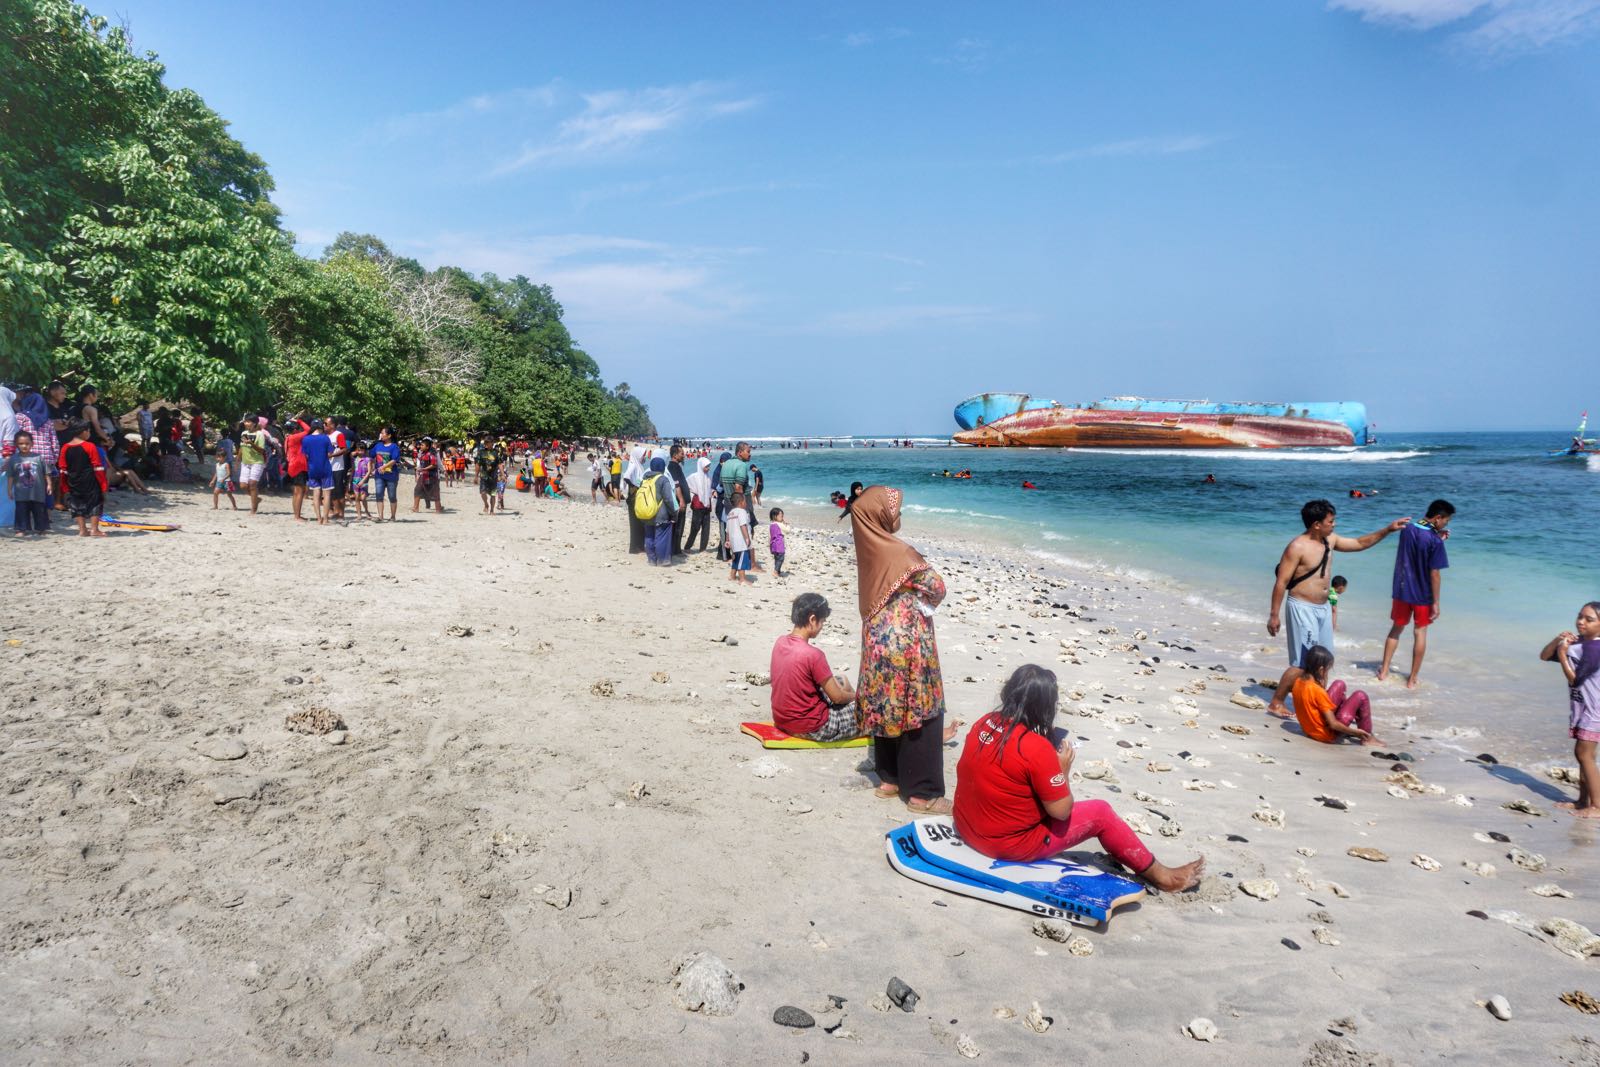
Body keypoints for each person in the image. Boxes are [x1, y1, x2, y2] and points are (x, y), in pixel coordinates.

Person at [952, 665, 1205, 890]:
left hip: (967, 827)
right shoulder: (1036, 748)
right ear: (1045, 708)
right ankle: (1163, 877)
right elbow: (1061, 812)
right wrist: (1062, 771)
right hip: (1006, 845)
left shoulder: (985, 722)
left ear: (1008, 693)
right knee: (1101, 813)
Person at [850, 486, 959, 813]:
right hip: (908, 644)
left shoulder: (869, 549)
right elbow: (937, 587)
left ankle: (889, 780)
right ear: (879, 514)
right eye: (893, 509)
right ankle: (922, 794)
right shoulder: (901, 553)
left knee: (886, 704)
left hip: (877, 643)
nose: (898, 514)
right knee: (921, 710)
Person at [1266, 500, 1410, 715]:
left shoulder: (1330, 540)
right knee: (1302, 662)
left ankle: (1317, 704)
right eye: (1330, 521)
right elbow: (1281, 582)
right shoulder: (1297, 547)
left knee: (1325, 660)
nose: (1334, 525)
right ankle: (1277, 702)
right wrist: (1274, 615)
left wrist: (1388, 530)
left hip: (1323, 609)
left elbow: (1360, 543)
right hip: (1301, 608)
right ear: (1316, 524)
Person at [1377, 500, 1455, 690]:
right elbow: (1434, 574)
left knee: (1396, 629)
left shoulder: (1407, 529)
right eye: (1446, 520)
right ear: (1438, 518)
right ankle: (1412, 679)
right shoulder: (1435, 541)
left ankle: (1384, 671)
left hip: (1402, 589)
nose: (1446, 524)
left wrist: (1437, 536)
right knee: (1420, 633)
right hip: (1422, 594)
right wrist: (1436, 602)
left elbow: (1417, 546)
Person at [770, 593, 864, 742]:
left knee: (841, 680)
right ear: (812, 620)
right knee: (873, 708)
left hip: (782, 720)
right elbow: (838, 698)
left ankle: (851, 709)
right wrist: (858, 698)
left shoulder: (780, 642)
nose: (822, 627)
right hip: (814, 727)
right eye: (822, 622)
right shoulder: (814, 655)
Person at [1540, 602, 1600, 818]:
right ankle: (1582, 800)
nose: (1581, 622)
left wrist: (1564, 655)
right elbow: (1544, 656)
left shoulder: (1595, 649)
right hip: (1582, 708)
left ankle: (1597, 806)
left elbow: (1576, 681)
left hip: (1595, 711)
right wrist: (1558, 642)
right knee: (1584, 755)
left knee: (1584, 755)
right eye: (1579, 616)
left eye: (1589, 619)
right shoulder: (1580, 643)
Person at [1291, 645, 1380, 746]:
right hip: (1326, 735)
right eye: (1327, 670)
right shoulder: (1318, 691)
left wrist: (1322, 678)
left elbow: (1315, 700)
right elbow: (1333, 724)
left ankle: (1345, 713)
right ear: (1321, 670)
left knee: (1339, 684)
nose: (1327, 673)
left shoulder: (1298, 682)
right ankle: (1367, 737)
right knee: (1360, 695)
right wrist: (1355, 732)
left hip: (1309, 730)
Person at [57, 420, 106, 536]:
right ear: (84, 432)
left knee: (76, 504)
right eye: (88, 430)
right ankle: (94, 529)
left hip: (73, 481)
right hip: (90, 481)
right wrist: (103, 484)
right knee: (95, 503)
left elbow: (62, 469)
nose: (89, 433)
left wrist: (64, 485)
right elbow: (97, 467)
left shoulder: (65, 448)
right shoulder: (90, 446)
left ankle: (82, 530)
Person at [5, 430, 50, 536]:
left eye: (27, 443)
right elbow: (10, 476)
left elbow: (46, 473)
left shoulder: (38, 457)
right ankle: (21, 529)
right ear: (16, 445)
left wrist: (49, 485)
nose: (24, 446)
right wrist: (9, 490)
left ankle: (41, 528)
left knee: (39, 511)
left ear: (32, 444)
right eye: (21, 444)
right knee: (21, 511)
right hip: (21, 493)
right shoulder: (14, 459)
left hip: (37, 492)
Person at [642, 456, 679, 565]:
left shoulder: (645, 478)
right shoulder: (663, 479)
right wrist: (673, 513)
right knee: (661, 536)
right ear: (663, 467)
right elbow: (668, 498)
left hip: (647, 512)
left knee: (649, 536)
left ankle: (651, 560)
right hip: (660, 513)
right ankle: (663, 560)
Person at [300, 419, 334, 524]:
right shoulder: (325, 438)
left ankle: (319, 519)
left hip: (312, 468)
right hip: (325, 468)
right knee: (327, 494)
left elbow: (305, 455)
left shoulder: (306, 439)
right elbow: (330, 453)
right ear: (321, 427)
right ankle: (326, 519)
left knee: (316, 494)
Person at [237, 416, 272, 515]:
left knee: (252, 484)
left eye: (248, 422)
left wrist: (251, 444)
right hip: (245, 462)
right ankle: (256, 499)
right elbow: (241, 447)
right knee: (243, 485)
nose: (246, 423)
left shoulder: (260, 434)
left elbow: (261, 450)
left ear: (254, 423)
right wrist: (237, 460)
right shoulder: (244, 433)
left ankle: (253, 509)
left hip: (257, 462)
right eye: (245, 421)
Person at [370, 426, 401, 521]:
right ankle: (380, 516)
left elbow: (394, 460)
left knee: (392, 496)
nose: (381, 435)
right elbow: (371, 456)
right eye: (381, 433)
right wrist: (372, 468)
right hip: (379, 475)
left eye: (383, 433)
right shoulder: (378, 445)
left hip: (391, 475)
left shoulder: (394, 447)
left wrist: (383, 467)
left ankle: (393, 516)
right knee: (379, 494)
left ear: (389, 435)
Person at [622, 445, 649, 554]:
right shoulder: (633, 465)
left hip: (637, 498)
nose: (644, 457)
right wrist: (635, 486)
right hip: (634, 498)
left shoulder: (638, 466)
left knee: (639, 522)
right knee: (635, 523)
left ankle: (639, 546)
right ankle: (635, 547)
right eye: (643, 455)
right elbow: (626, 477)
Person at [284, 416, 311, 521]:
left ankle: (296, 515)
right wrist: (300, 420)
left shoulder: (287, 438)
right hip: (298, 465)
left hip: (292, 465)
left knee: (296, 492)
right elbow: (309, 430)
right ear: (295, 430)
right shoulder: (295, 437)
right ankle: (297, 516)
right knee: (300, 491)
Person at [685, 456, 713, 552]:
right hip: (697, 504)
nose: (708, 468)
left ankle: (703, 548)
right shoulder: (694, 476)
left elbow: (710, 490)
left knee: (706, 528)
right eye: (706, 466)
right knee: (695, 527)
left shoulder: (708, 477)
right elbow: (686, 485)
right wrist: (692, 495)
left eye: (709, 466)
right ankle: (688, 546)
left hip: (707, 505)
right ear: (701, 466)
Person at [726, 488, 753, 583]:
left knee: (736, 559)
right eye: (745, 500)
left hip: (733, 541)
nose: (746, 503)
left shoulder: (730, 513)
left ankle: (732, 575)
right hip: (741, 540)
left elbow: (727, 529)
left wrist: (727, 541)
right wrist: (747, 538)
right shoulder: (742, 512)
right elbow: (743, 525)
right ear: (741, 502)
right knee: (742, 559)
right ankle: (742, 579)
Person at [667, 444, 691, 558]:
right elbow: (676, 484)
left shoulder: (675, 466)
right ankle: (676, 550)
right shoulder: (673, 466)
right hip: (678, 501)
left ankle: (676, 548)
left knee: (679, 525)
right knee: (678, 525)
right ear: (675, 455)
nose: (684, 455)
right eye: (682, 453)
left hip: (680, 500)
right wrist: (681, 500)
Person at [412, 438, 442, 513]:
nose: (420, 446)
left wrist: (423, 469)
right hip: (423, 475)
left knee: (435, 493)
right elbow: (420, 464)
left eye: (422, 445)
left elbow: (434, 465)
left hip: (432, 476)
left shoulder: (431, 454)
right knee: (417, 490)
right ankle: (415, 508)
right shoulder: (422, 453)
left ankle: (438, 509)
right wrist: (419, 469)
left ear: (427, 447)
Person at [475, 436, 501, 514]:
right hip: (484, 476)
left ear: (492, 443)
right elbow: (478, 464)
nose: (487, 444)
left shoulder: (496, 452)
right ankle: (486, 504)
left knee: (493, 494)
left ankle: (492, 510)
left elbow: (500, 464)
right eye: (486, 443)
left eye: (489, 443)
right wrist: (476, 476)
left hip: (493, 476)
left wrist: (502, 474)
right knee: (483, 492)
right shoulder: (481, 452)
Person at [210, 444, 239, 510]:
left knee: (229, 495)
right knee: (215, 493)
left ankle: (234, 506)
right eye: (217, 457)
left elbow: (229, 473)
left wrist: (224, 479)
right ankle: (215, 506)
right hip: (219, 481)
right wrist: (213, 481)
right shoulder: (217, 464)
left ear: (224, 457)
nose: (218, 459)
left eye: (220, 457)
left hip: (227, 482)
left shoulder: (226, 464)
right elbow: (216, 473)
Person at [768, 507, 788, 577]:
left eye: (782, 516)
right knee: (781, 558)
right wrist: (787, 524)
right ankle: (776, 571)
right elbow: (787, 530)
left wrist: (769, 545)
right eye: (781, 516)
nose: (782, 518)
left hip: (773, 544)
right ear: (774, 516)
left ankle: (778, 571)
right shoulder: (780, 524)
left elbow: (770, 535)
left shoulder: (771, 524)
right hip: (779, 545)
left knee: (777, 558)